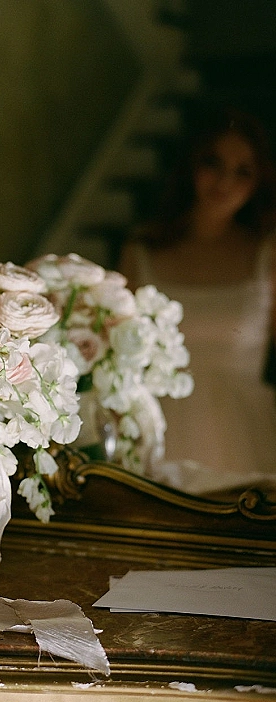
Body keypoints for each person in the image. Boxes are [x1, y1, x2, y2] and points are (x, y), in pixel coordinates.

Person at [119, 106, 276, 494]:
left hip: (248, 433)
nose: (225, 181)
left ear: (259, 182)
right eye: (214, 162)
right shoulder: (142, 250)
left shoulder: (267, 255)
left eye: (243, 171)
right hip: (159, 429)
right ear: (191, 165)